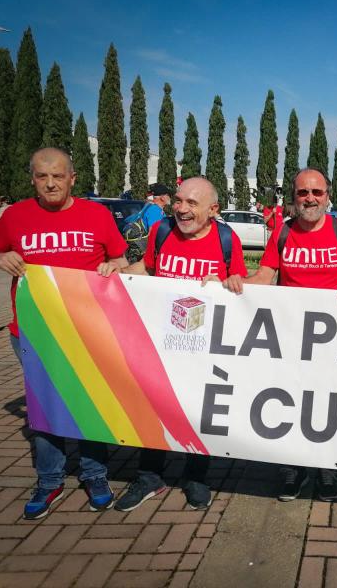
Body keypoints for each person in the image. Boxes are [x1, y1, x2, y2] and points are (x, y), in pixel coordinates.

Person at [0, 147, 129, 519]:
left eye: (58, 176)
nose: (50, 183)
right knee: (44, 404)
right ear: (32, 178)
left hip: (87, 330)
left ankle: (95, 474)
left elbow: (121, 258)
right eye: (42, 176)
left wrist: (113, 266)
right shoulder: (14, 216)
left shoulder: (96, 214)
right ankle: (50, 480)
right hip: (32, 330)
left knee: (89, 401)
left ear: (72, 179)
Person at [99, 177, 246, 511]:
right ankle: (150, 476)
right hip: (160, 343)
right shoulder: (161, 231)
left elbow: (238, 285)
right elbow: (147, 269)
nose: (181, 208)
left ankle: (196, 476)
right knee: (154, 408)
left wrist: (226, 283)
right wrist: (115, 272)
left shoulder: (227, 239)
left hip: (203, 348)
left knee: (197, 412)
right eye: (179, 201)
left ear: (213, 210)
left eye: (192, 203)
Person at [226, 168, 337, 502]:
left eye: (317, 192)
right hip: (289, 338)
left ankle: (326, 470)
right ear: (294, 197)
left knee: (326, 403)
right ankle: (292, 468)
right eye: (303, 193)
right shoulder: (282, 233)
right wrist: (234, 282)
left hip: (333, 341)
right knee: (290, 403)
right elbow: (264, 276)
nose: (310, 199)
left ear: (327, 195)